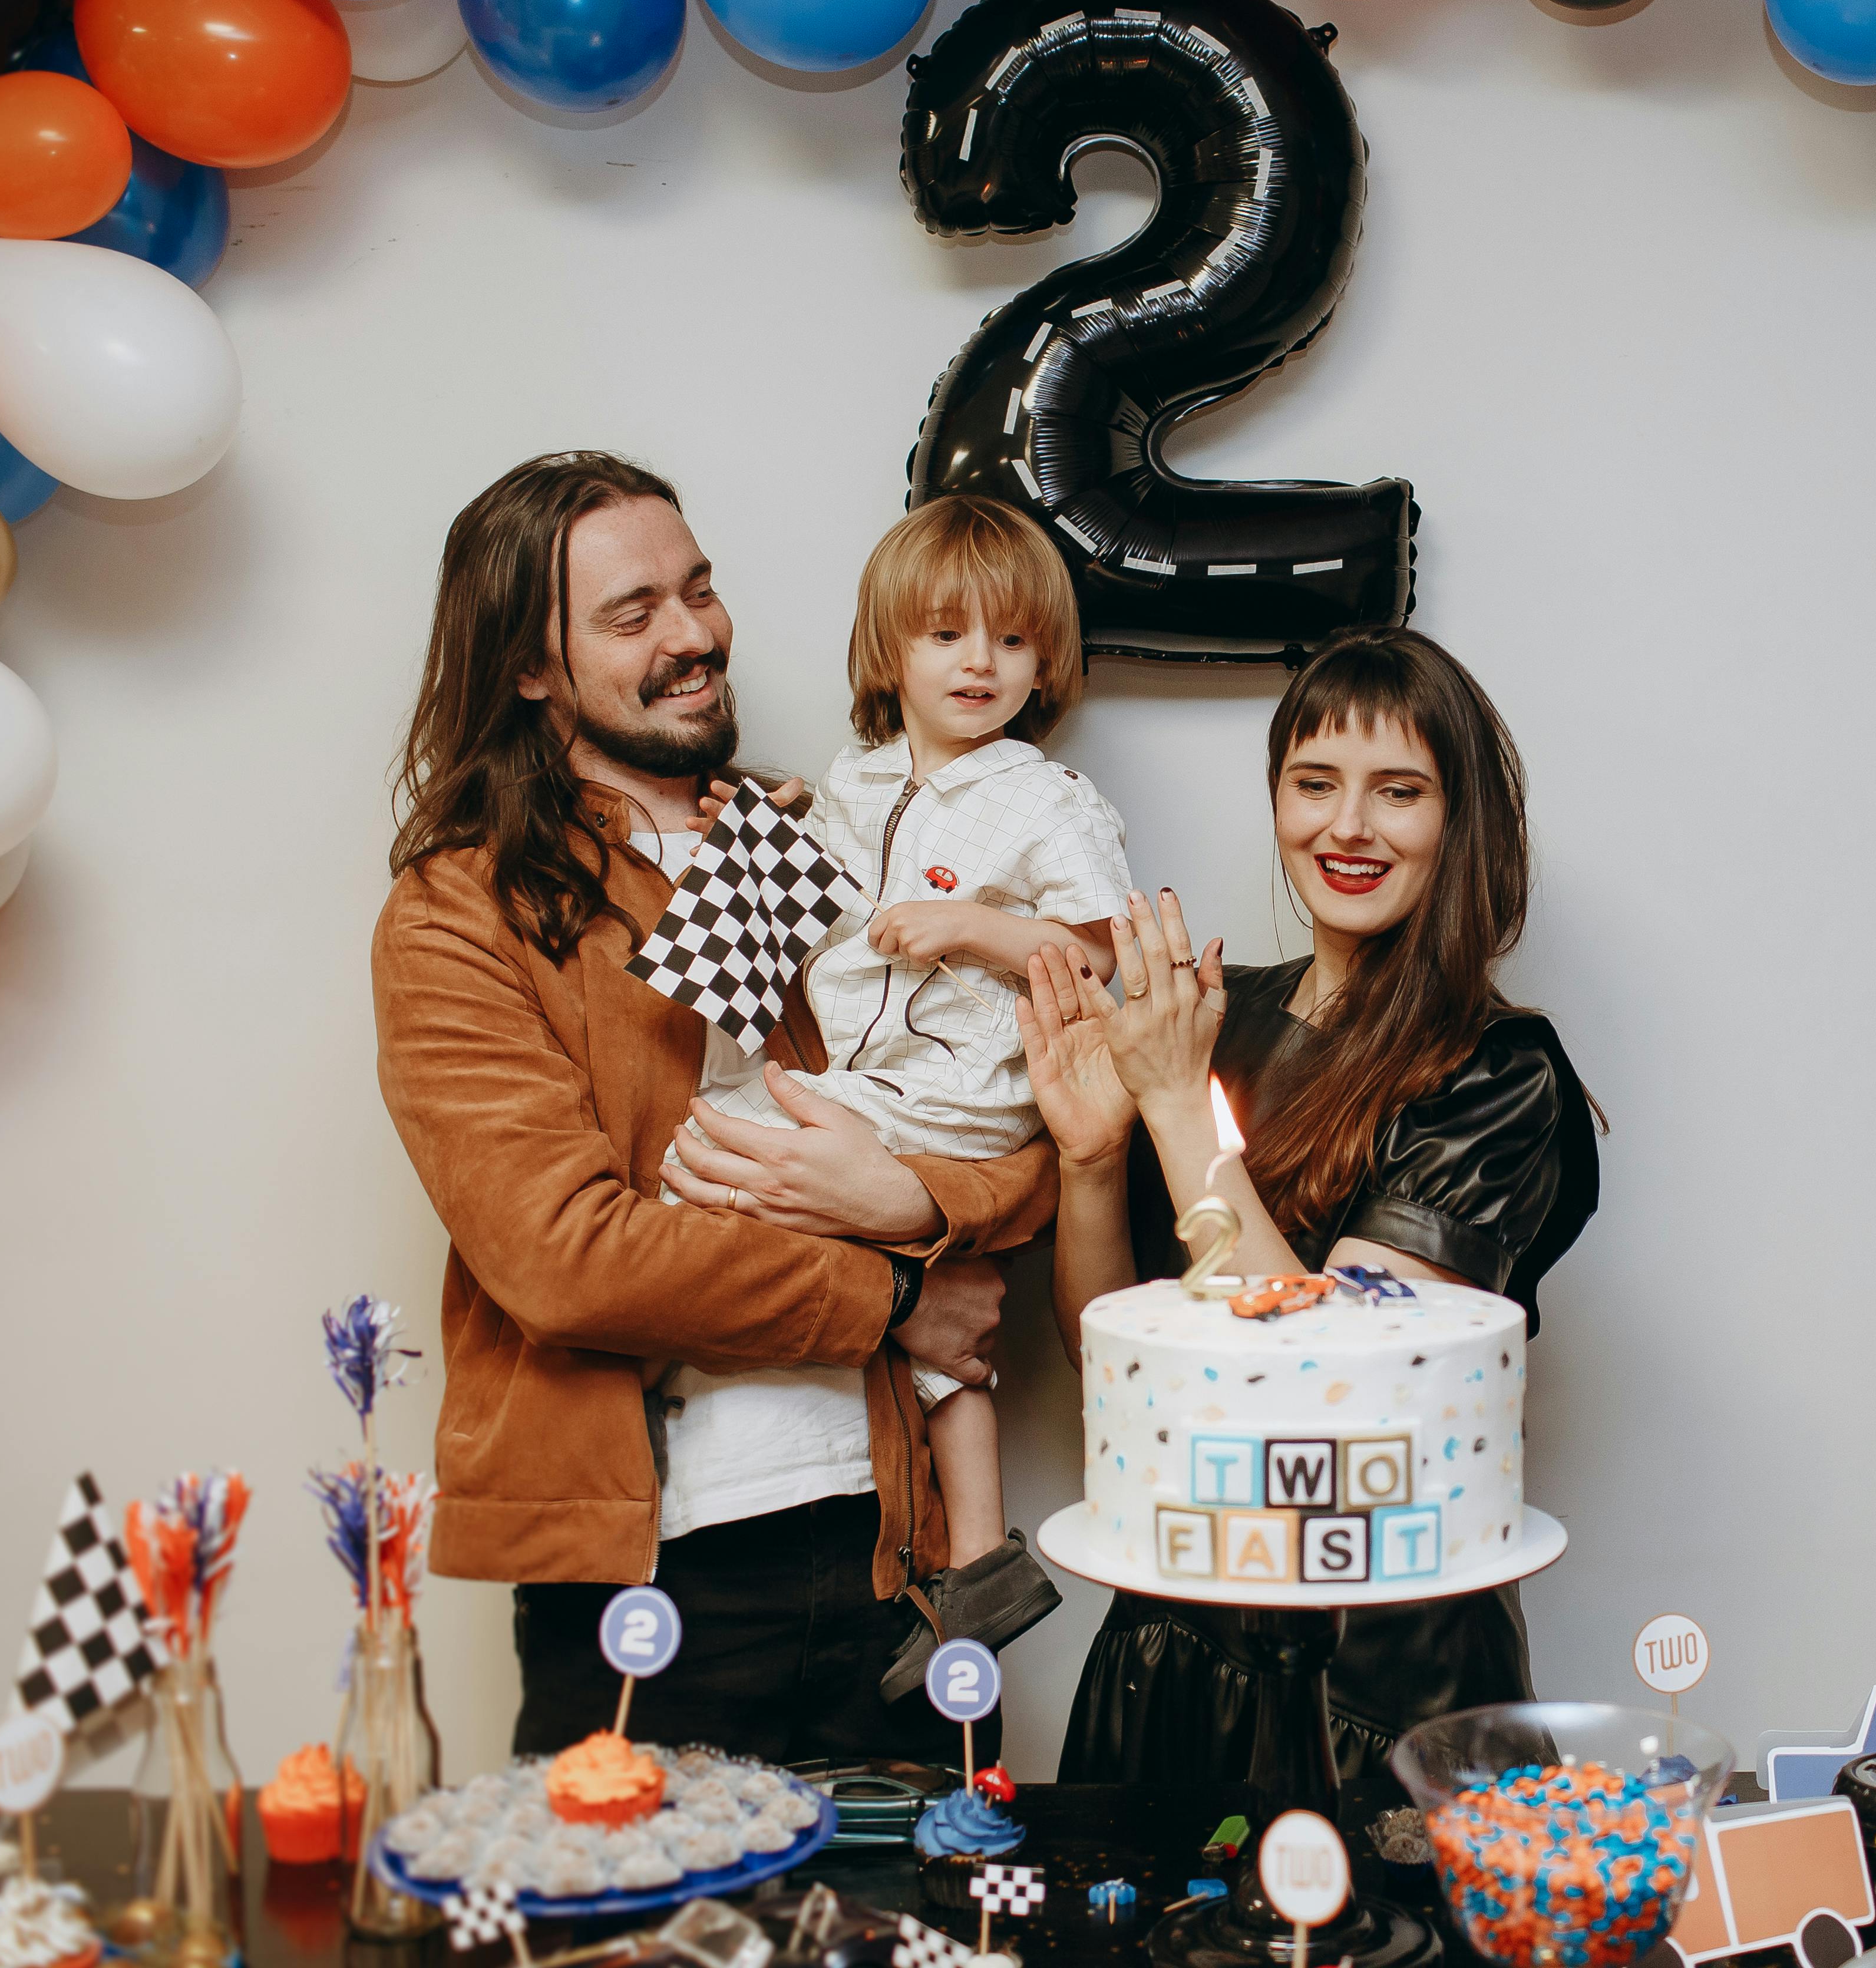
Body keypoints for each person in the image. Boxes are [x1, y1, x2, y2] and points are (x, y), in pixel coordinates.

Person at [371, 450, 1057, 1764]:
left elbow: (1013, 1122)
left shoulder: (835, 841)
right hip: (644, 1582)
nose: (694, 637)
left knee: (933, 1935)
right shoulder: (461, 911)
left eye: (700, 590)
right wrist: (898, 1293)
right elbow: (562, 1258)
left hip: (892, 1556)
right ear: (530, 664)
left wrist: (908, 1199)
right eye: (634, 615)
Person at [1017, 625, 1600, 1781]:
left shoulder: (1498, 1074)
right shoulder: (1219, 1017)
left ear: (1460, 821)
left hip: (1379, 1683)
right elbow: (1120, 1363)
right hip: (1180, 1633)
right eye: (1314, 783)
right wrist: (1091, 1158)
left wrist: (1179, 1108)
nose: (1348, 826)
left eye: (1399, 791)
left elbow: (1336, 1395)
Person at [663, 497, 1129, 1698]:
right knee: (928, 1305)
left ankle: (965, 1544)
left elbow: (1103, 955)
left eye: (1013, 641)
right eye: (945, 635)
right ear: (890, 651)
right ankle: (979, 1558)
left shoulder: (1046, 799)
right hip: (874, 1077)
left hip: (966, 1087)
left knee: (712, 1161)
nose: (982, 663)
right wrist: (757, 828)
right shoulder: (856, 779)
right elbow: (817, 895)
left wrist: (981, 930)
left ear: (1047, 659)